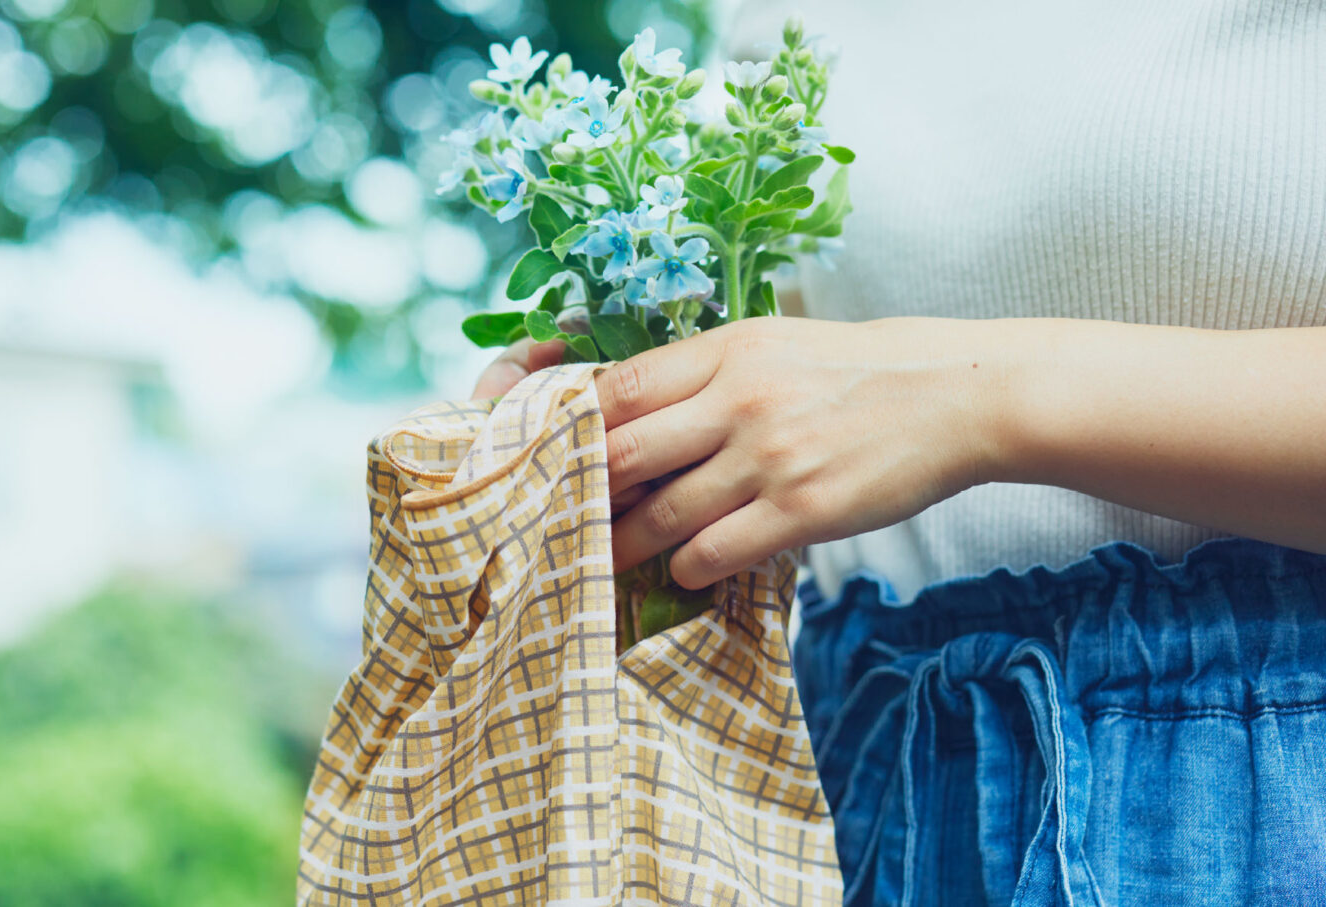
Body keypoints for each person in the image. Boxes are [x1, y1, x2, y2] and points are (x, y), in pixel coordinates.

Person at [473, 1, 1326, 903]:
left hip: (1263, 785)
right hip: (868, 770)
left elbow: (880, 393)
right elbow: (798, 365)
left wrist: (968, 399)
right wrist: (639, 417)